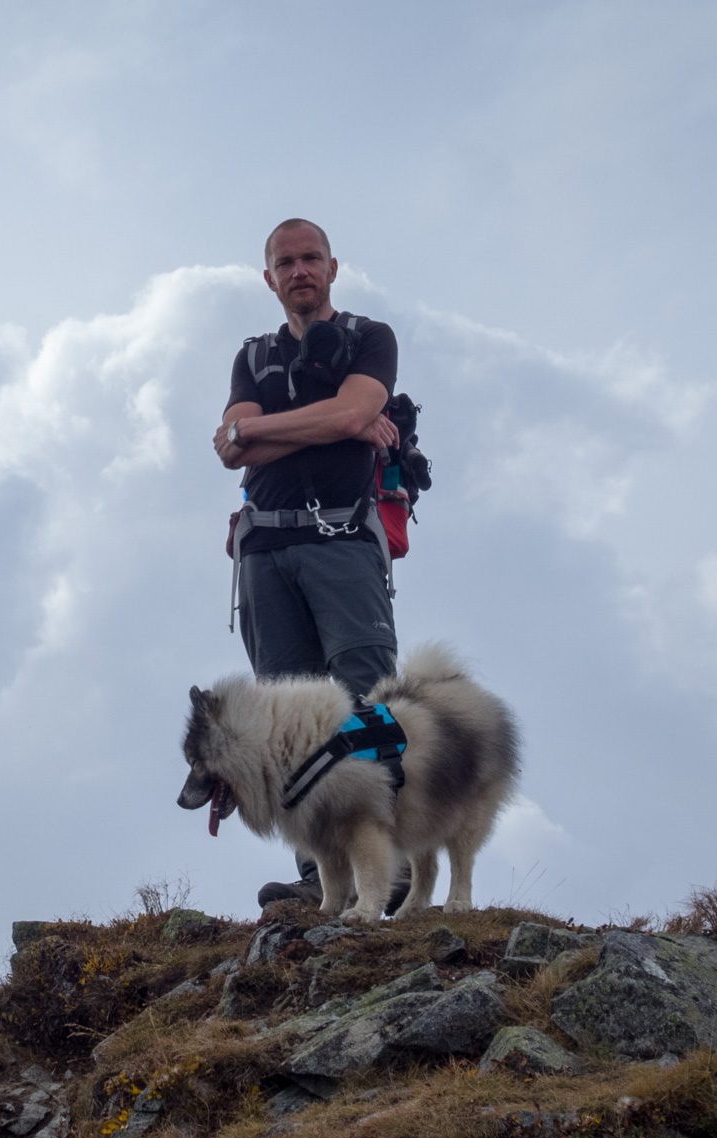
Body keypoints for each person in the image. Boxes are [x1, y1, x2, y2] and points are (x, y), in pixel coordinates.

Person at [214, 218, 409, 911]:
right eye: (285, 262)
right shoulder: (253, 355)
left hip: (343, 540)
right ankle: (319, 880)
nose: (300, 270)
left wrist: (269, 428)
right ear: (269, 279)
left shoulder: (369, 338)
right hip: (264, 550)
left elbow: (352, 410)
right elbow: (231, 447)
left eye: (311, 258)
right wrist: (333, 421)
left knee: (366, 695)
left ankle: (388, 871)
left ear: (333, 267)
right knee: (285, 717)